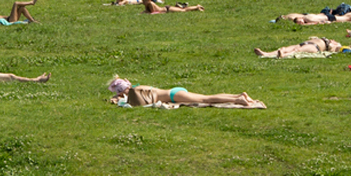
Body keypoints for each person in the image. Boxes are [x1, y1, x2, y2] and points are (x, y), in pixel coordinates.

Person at [107, 78, 265, 108]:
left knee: (206, 99)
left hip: (173, 96)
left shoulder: (134, 94)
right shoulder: (139, 86)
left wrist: (117, 99)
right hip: (174, 92)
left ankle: (239, 100)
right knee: (206, 97)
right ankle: (238, 96)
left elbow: (129, 101)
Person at [254, 37, 351, 58]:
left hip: (315, 47)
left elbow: (350, 48)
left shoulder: (337, 47)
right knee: (285, 47)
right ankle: (265, 53)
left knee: (297, 51)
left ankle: (283, 55)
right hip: (306, 42)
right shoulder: (330, 41)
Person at [277, 9, 351, 25]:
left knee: (347, 18)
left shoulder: (309, 20)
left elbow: (317, 22)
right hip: (326, 16)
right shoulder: (307, 16)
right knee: (345, 17)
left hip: (328, 18)